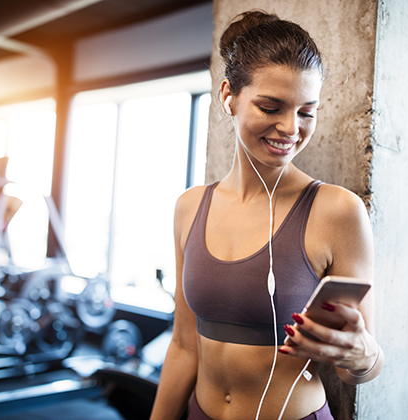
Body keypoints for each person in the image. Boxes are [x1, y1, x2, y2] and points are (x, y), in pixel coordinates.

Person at [150, 11, 383, 420]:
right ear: (229, 96)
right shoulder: (190, 207)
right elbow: (184, 346)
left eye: (306, 112)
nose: (291, 128)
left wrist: (363, 357)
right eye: (271, 106)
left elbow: (359, 368)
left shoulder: (337, 212)